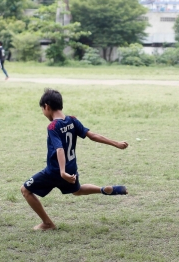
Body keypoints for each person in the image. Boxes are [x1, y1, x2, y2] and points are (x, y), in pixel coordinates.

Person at [21, 88, 129, 231]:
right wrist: (116, 143)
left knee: (25, 190)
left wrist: (62, 172)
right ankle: (103, 189)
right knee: (77, 190)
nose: (43, 113)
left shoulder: (53, 126)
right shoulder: (72, 120)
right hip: (71, 169)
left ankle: (47, 223)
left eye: (43, 109)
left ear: (46, 106)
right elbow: (93, 136)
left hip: (56, 171)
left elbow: (59, 149)